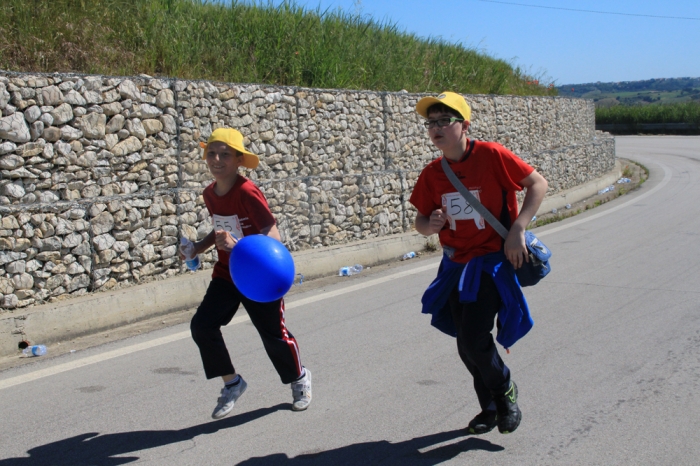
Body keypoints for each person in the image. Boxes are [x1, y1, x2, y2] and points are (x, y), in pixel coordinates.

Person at [409, 92, 548, 435]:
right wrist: (433, 225)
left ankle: (504, 392)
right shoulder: (432, 174)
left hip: (492, 263)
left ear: (465, 125)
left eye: (445, 121)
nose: (436, 128)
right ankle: (489, 408)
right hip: (456, 266)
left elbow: (537, 184)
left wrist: (518, 229)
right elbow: (421, 222)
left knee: (473, 337)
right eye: (431, 123)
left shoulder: (492, 155)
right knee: (465, 343)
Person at [183, 128, 312, 420]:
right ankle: (232, 383)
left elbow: (272, 235)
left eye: (225, 154)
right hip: (227, 274)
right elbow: (219, 233)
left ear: (239, 160)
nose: (217, 159)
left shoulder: (247, 191)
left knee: (273, 336)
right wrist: (196, 249)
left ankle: (299, 379)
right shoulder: (210, 193)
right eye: (212, 153)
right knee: (202, 326)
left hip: (259, 275)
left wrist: (238, 246)